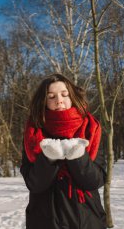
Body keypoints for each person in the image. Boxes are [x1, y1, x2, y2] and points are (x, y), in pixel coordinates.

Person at [20, 73, 107, 229]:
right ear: (44, 102)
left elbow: (95, 181)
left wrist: (78, 157)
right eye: (51, 96)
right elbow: (33, 183)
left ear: (72, 97)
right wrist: (48, 159)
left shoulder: (90, 130)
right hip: (45, 221)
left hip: (87, 221)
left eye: (64, 94)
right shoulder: (33, 133)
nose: (58, 100)